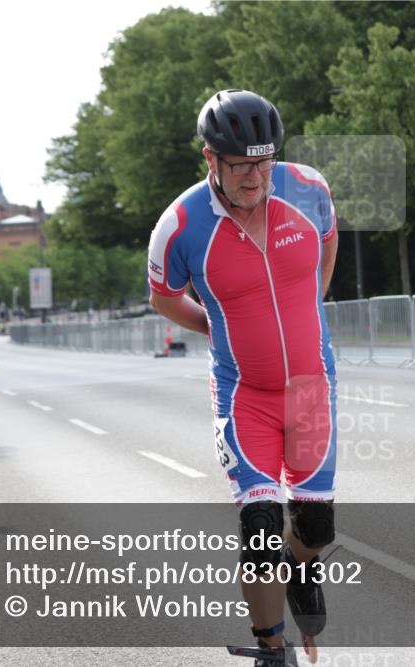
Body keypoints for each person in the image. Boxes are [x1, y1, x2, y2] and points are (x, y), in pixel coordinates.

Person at [147, 89, 339, 663]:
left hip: (310, 389)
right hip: (244, 395)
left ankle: (303, 570)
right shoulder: (179, 226)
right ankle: (270, 648)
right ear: (211, 159)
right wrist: (218, 325)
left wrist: (312, 302)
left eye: (265, 162)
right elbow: (162, 299)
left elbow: (326, 248)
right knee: (260, 527)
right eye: (241, 166)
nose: (256, 177)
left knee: (316, 528)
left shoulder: (309, 191)